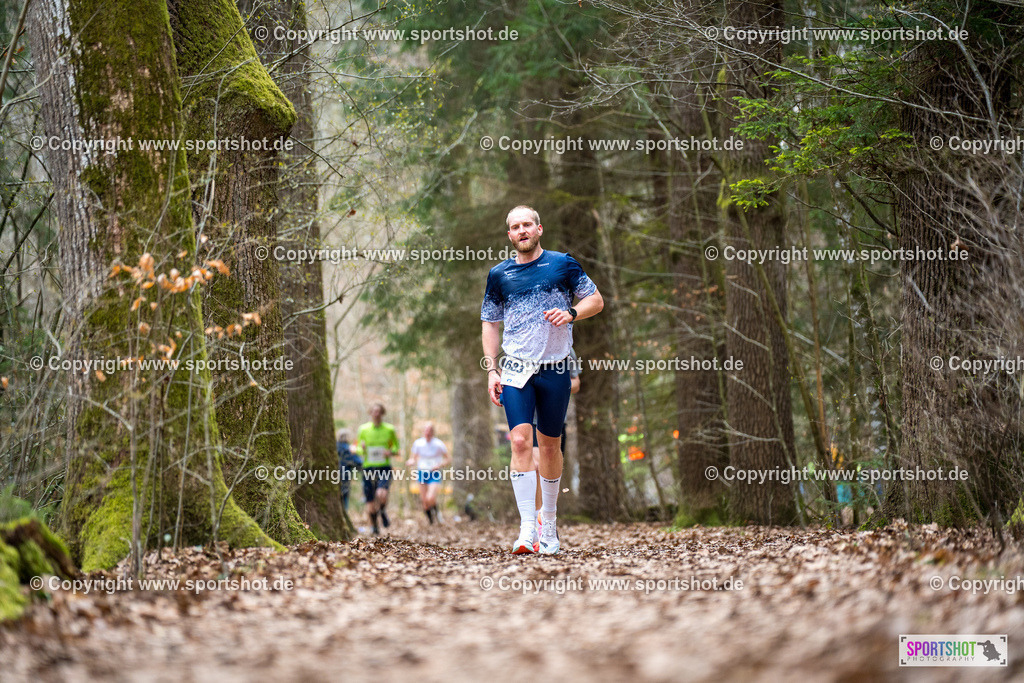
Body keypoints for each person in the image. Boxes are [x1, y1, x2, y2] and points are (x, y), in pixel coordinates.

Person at [481, 205, 603, 554]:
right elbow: (490, 323)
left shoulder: (562, 263)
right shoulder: (499, 275)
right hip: (516, 367)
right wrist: (492, 369)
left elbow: (596, 299)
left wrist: (572, 313)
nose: (521, 230)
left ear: (539, 229)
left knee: (549, 446)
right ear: (509, 235)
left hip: (556, 366)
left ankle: (548, 524)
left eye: (527, 225)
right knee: (520, 442)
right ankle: (526, 531)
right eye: (515, 227)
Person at [532, 348, 581, 538]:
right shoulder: (523, 341)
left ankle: (547, 517)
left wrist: (554, 385)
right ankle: (536, 519)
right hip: (530, 416)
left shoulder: (566, 348)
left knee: (551, 467)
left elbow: (576, 382)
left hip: (556, 416)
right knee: (536, 465)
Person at [356, 403, 400, 535]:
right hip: (368, 467)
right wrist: (361, 448)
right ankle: (374, 526)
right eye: (374, 411)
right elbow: (357, 448)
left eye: (379, 411)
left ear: (382, 413)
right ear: (370, 413)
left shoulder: (389, 429)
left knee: (381, 493)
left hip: (384, 467)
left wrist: (390, 452)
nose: (376, 414)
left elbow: (396, 448)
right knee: (370, 501)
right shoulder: (363, 429)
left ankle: (382, 511)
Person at [406, 422, 451, 524]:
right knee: (425, 501)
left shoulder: (438, 444)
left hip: (434, 473)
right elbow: (414, 458)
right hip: (422, 473)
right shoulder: (418, 443)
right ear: (423, 431)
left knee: (430, 497)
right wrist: (411, 461)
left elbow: (448, 459)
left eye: (430, 430)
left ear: (433, 432)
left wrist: (439, 465)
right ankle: (431, 521)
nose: (428, 432)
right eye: (426, 430)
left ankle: (437, 512)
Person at [337, 428, 362, 511]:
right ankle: (344, 517)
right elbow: (359, 463)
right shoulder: (348, 450)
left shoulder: (332, 447)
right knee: (344, 499)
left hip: (328, 476)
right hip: (344, 478)